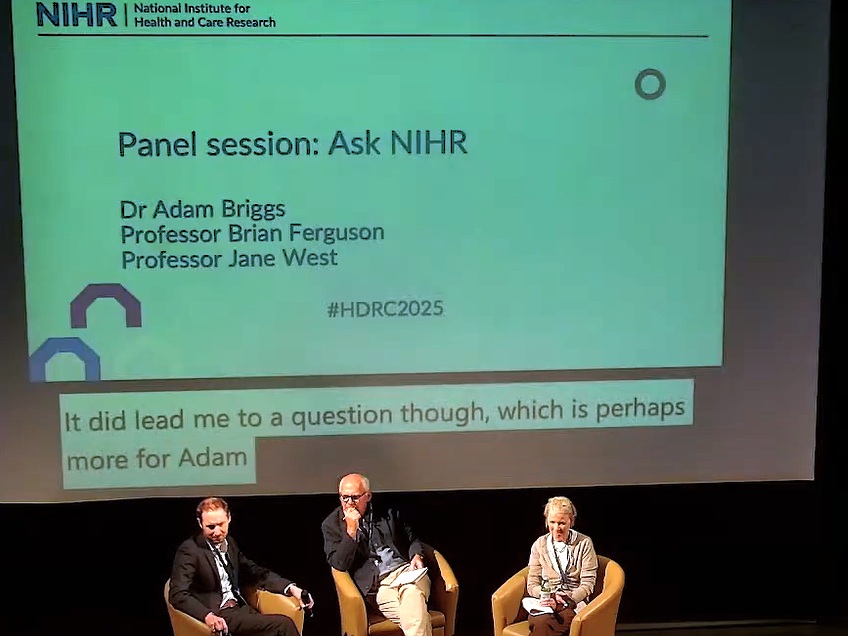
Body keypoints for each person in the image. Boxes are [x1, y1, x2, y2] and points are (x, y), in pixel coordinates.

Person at [169, 496, 313, 636]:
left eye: (221, 525)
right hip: (220, 613)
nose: (217, 532)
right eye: (211, 527)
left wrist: (292, 588)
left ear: (229, 518)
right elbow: (177, 594)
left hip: (240, 608)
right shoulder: (190, 550)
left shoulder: (230, 544)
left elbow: (255, 572)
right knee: (283, 625)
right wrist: (207, 616)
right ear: (200, 524)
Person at [321, 473, 432, 636]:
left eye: (355, 498)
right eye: (344, 498)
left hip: (407, 574)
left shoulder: (388, 512)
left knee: (412, 594)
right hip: (379, 587)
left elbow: (412, 538)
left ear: (368, 496)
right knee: (416, 615)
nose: (349, 504)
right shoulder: (331, 525)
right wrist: (351, 533)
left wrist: (417, 555)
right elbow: (339, 564)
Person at [526, 496, 598, 636]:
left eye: (562, 523)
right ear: (547, 521)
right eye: (552, 522)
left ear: (571, 522)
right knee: (541, 621)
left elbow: (588, 584)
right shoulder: (539, 545)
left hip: (572, 602)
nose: (556, 528)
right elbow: (532, 583)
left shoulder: (584, 543)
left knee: (546, 625)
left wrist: (565, 600)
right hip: (546, 602)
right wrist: (547, 596)